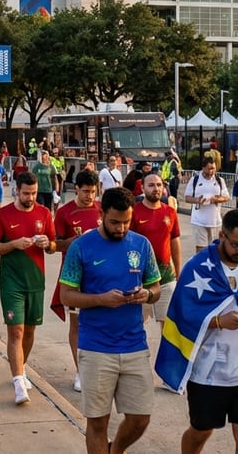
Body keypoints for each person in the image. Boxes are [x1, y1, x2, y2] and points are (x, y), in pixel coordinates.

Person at [157, 209, 238, 454]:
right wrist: (218, 322)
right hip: (207, 371)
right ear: (221, 235)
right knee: (201, 431)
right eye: (237, 245)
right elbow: (182, 314)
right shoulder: (197, 267)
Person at [59, 187, 162, 454]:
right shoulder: (81, 247)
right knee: (97, 422)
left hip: (134, 346)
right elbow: (66, 295)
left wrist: (146, 294)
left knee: (141, 418)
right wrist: (102, 299)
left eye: (127, 222)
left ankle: (115, 450)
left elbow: (156, 289)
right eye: (115, 221)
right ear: (101, 213)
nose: (121, 228)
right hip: (96, 347)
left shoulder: (141, 245)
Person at [0, 170, 56, 404]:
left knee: (29, 331)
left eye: (34, 193)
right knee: (15, 331)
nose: (31, 198)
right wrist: (14, 244)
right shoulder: (3, 215)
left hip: (36, 282)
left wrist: (48, 243)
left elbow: (53, 245)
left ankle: (21, 367)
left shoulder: (44, 213)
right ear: (17, 190)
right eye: (26, 193)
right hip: (11, 282)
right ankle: (18, 383)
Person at [50, 168, 102, 393]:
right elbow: (55, 245)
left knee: (99, 322)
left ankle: (99, 369)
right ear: (76, 190)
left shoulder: (102, 210)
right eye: (85, 192)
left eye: (93, 191)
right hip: (74, 276)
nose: (89, 196)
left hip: (101, 275)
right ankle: (80, 371)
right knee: (77, 324)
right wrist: (77, 240)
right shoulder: (64, 213)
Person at [130, 172, 181, 368]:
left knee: (168, 326)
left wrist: (178, 270)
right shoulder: (134, 212)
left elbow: (175, 241)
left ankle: (169, 370)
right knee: (137, 325)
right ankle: (137, 366)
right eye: (151, 185)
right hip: (139, 279)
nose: (156, 188)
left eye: (159, 185)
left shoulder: (170, 212)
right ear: (143, 188)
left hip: (166, 277)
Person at [184, 159, 229, 253]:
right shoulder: (195, 180)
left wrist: (217, 199)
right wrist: (197, 200)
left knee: (215, 249)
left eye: (214, 169)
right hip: (199, 221)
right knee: (201, 250)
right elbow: (187, 198)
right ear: (203, 168)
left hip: (215, 221)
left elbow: (226, 197)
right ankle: (201, 267)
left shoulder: (219, 180)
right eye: (209, 169)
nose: (212, 171)